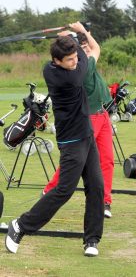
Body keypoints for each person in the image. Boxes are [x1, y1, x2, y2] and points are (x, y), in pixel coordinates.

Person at [5, 22, 104, 257]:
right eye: (69, 59)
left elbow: (91, 50)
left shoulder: (53, 67)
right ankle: (20, 226)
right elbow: (92, 50)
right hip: (72, 141)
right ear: (57, 61)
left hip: (86, 135)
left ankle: (91, 240)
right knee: (63, 190)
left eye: (74, 58)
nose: (75, 62)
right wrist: (78, 33)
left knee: (97, 187)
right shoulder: (69, 78)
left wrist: (73, 37)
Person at [42, 31, 114, 219]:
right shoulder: (79, 68)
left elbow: (93, 47)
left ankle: (105, 201)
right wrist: (79, 32)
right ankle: (49, 192)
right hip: (87, 118)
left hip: (102, 114)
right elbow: (96, 48)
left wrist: (78, 35)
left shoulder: (79, 61)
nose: (85, 50)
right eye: (81, 48)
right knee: (73, 164)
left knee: (106, 160)